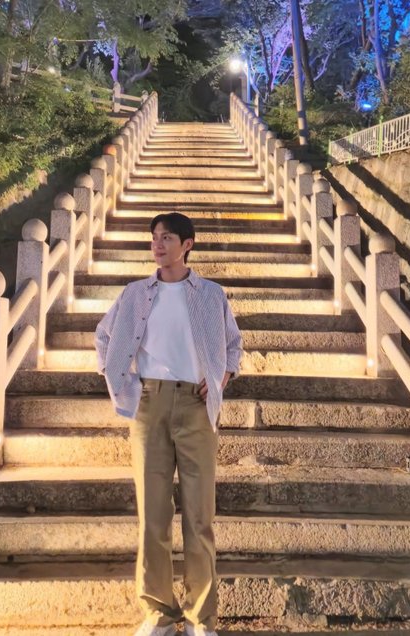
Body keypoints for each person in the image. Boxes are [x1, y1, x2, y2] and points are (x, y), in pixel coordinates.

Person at [95, 212, 242, 635]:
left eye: (167, 238)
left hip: (197, 406)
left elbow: (234, 345)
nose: (158, 245)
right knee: (152, 516)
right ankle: (158, 613)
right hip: (149, 405)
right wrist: (122, 380)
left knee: (200, 516)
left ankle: (200, 617)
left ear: (187, 245)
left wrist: (220, 377)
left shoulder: (211, 294)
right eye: (154, 238)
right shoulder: (135, 293)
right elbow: (103, 336)